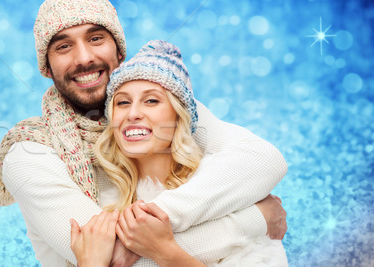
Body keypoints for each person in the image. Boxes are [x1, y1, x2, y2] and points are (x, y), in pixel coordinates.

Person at [0, 0, 288, 266]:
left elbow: (264, 159)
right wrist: (256, 219)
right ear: (47, 66)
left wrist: (154, 221)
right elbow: (113, 258)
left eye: (96, 38)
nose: (84, 57)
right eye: (63, 46)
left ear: (119, 50)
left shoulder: (165, 102)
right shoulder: (29, 151)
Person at [70, 40, 288, 266]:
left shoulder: (225, 190)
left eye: (151, 101)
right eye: (123, 102)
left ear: (178, 118)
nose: (133, 113)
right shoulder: (100, 207)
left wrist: (165, 251)